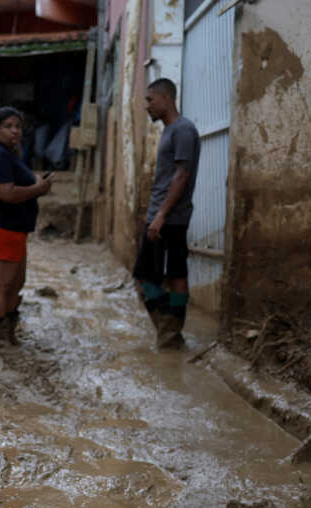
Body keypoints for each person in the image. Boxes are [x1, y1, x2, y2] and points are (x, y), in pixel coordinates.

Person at [134, 77, 201, 349]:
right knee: (147, 275)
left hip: (170, 218)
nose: (147, 106)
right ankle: (170, 330)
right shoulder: (171, 130)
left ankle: (171, 332)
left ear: (166, 99)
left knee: (173, 275)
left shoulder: (183, 130)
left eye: (150, 100)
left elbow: (181, 174)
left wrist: (161, 215)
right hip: (162, 215)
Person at [0, 107, 52, 344]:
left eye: (18, 126)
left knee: (16, 283)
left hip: (14, 229)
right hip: (3, 228)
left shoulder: (9, 152)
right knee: (2, 285)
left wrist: (37, 181)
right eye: (8, 126)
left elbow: (20, 179)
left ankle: (9, 330)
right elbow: (7, 194)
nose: (15, 131)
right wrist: (39, 189)